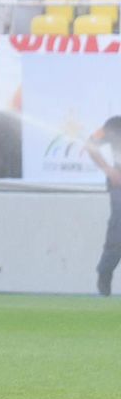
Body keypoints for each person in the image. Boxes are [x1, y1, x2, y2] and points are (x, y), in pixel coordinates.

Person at [83, 116, 121, 296]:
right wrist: (108, 169)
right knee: (118, 229)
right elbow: (91, 144)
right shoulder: (115, 124)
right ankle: (105, 271)